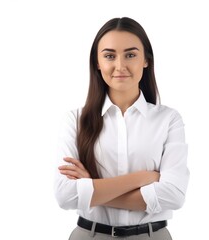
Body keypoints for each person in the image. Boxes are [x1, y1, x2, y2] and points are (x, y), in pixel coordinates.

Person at [54, 17, 189, 239]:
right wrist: (143, 178)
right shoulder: (75, 120)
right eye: (109, 56)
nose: (120, 66)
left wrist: (91, 188)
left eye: (130, 55)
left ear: (146, 60)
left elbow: (173, 195)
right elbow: (65, 196)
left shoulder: (168, 120)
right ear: (97, 62)